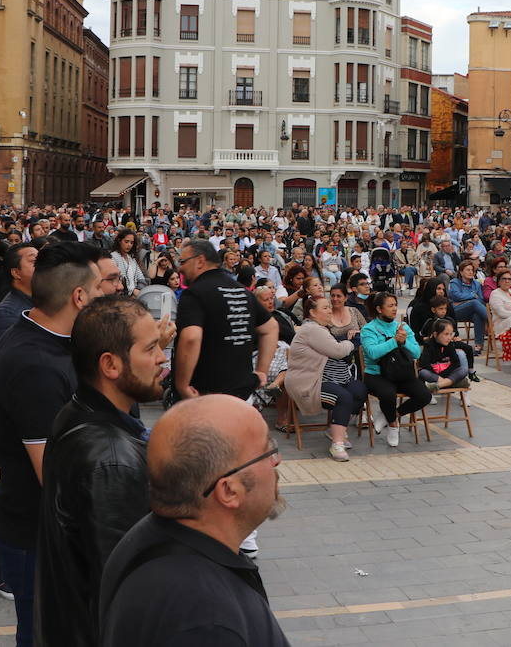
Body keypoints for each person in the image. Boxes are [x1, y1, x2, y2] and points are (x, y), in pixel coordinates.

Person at [0, 241, 107, 647]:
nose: (105, 296)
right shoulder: (34, 364)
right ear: (79, 296)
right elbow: (53, 473)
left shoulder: (52, 344)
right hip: (39, 537)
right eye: (100, 287)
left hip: (44, 531)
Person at [98, 395, 291, 646]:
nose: (277, 462)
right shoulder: (208, 622)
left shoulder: (151, 538)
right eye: (267, 451)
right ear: (229, 491)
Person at [35, 297, 171, 647]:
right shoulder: (112, 461)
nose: (162, 358)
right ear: (110, 364)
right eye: (152, 347)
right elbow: (125, 589)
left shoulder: (79, 411)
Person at [172, 239, 278, 403]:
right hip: (243, 393)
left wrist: (182, 384)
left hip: (204, 393)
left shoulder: (195, 293)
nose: (180, 268)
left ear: (200, 261)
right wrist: (261, 371)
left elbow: (191, 337)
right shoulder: (242, 290)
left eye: (183, 262)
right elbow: (270, 327)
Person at [285, 293, 366, 461]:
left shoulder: (321, 328)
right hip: (307, 383)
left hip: (324, 378)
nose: (330, 311)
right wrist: (352, 341)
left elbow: (335, 347)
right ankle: (337, 444)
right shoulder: (311, 329)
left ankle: (335, 428)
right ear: (313, 313)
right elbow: (337, 351)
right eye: (325, 307)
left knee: (359, 391)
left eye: (329, 307)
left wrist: (345, 341)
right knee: (343, 397)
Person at [359, 291, 430, 447]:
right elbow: (372, 353)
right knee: (387, 394)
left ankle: (390, 416)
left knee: (424, 395)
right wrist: (394, 341)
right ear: (379, 309)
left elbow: (417, 352)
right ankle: (393, 425)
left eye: (395, 305)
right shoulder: (369, 329)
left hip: (402, 372)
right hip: (377, 374)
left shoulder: (402, 326)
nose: (394, 309)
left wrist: (404, 342)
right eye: (390, 306)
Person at [0, 243, 37, 350]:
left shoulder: (44, 302)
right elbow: (5, 361)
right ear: (16, 272)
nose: (43, 265)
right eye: (34, 261)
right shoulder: (5, 316)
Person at [446, 260, 488, 353]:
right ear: (461, 272)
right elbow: (456, 296)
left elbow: (481, 299)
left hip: (471, 311)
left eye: (472, 270)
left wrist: (466, 299)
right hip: (456, 311)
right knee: (474, 303)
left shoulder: (476, 284)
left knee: (477, 316)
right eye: (467, 270)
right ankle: (491, 320)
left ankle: (478, 346)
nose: (470, 272)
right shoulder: (455, 282)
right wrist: (472, 295)